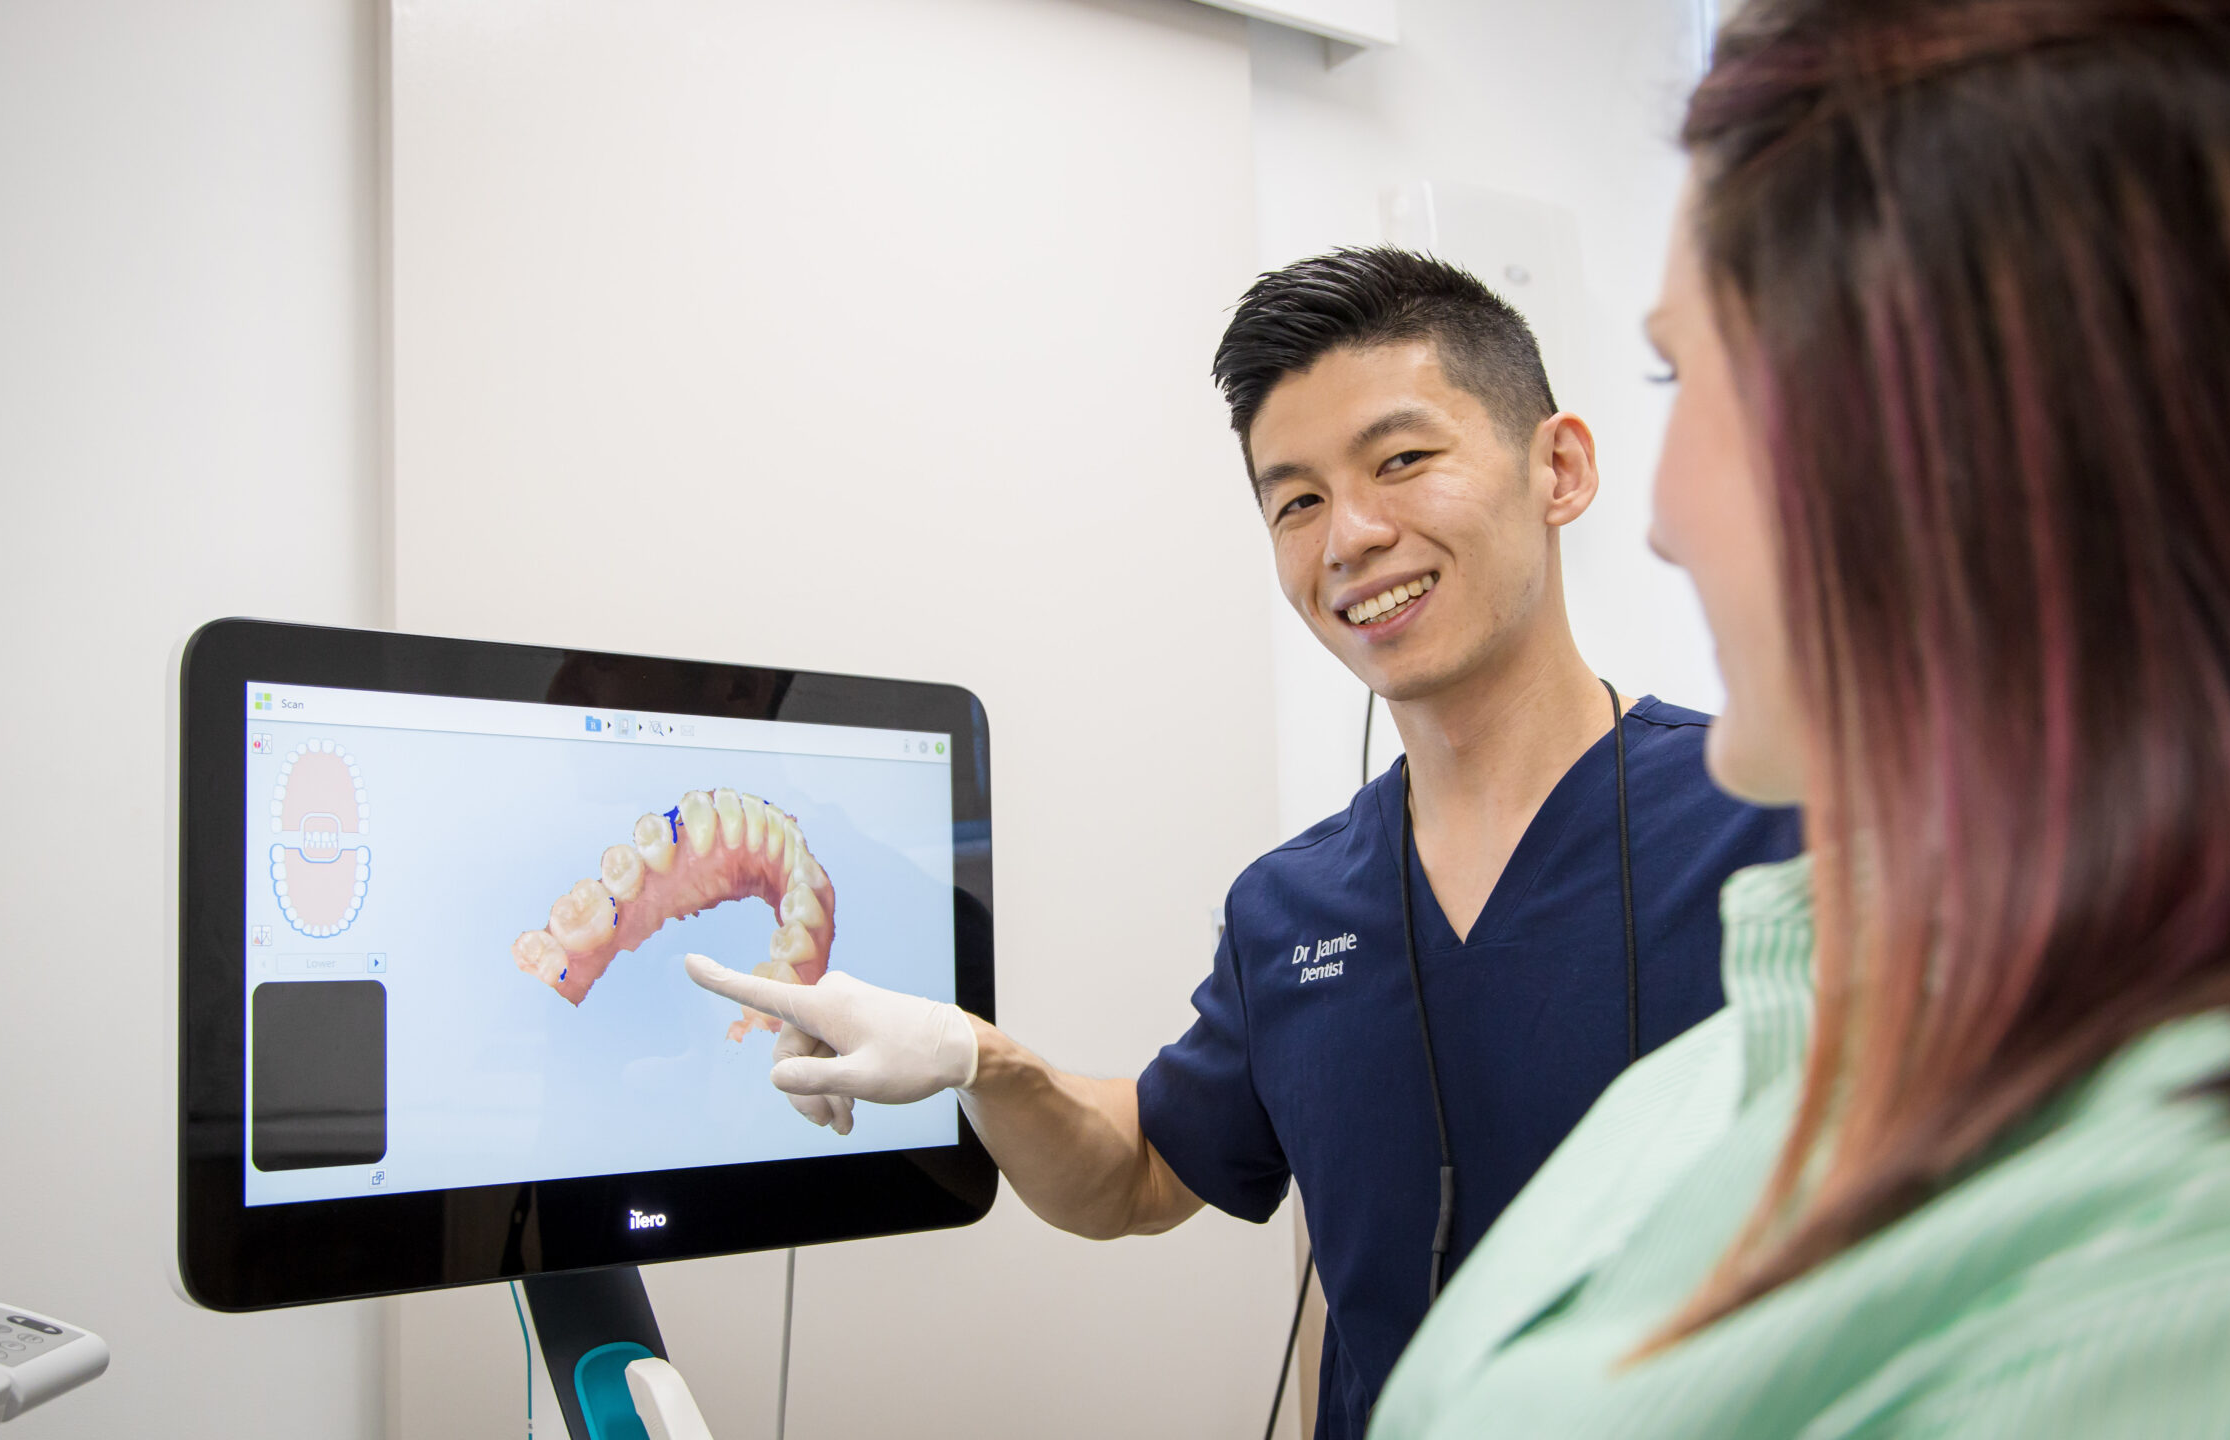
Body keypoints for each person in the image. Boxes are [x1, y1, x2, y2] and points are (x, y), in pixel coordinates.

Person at [1369, 0, 2230, 1435]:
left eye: (1683, 372)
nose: (1659, 525)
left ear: (1976, 416)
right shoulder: (1812, 976)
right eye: (1296, 497)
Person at [688, 249, 1801, 1435]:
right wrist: (978, 1061)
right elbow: (1135, 1177)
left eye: (1403, 460)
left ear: (1559, 468)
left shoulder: (1777, 819)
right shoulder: (1295, 907)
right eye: (1298, 501)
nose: (1352, 536)